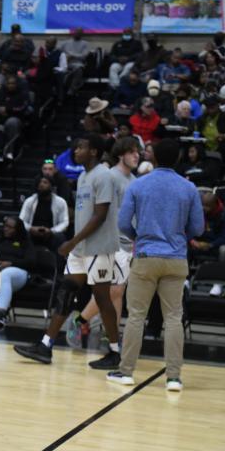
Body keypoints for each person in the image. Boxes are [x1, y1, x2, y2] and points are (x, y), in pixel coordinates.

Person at [14, 134, 123, 369]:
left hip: (99, 247)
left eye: (81, 147)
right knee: (65, 291)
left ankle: (115, 351)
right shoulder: (84, 176)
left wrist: (72, 241)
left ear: (94, 151)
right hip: (82, 247)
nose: (75, 151)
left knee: (103, 298)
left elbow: (101, 215)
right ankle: (46, 345)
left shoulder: (103, 175)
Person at [107, 138, 204, 391]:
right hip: (176, 258)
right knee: (174, 317)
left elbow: (123, 223)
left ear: (155, 158)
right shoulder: (189, 188)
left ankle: (126, 371)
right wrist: (180, 236)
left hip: (147, 256)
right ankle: (173, 377)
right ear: (178, 159)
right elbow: (198, 228)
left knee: (136, 316)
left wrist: (140, 237)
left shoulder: (139, 185)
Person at [66, 138, 140, 350]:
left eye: (138, 152)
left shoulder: (134, 180)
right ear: (120, 154)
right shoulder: (109, 176)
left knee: (117, 293)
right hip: (110, 241)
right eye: (132, 152)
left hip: (128, 243)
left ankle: (109, 338)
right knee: (113, 291)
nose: (137, 156)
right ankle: (80, 322)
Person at [0, 216, 37, 328]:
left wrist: (11, 263)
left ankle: (1, 313)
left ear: (17, 229)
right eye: (5, 226)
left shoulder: (25, 242)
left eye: (10, 227)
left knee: (6, 273)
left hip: (19, 273)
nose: (6, 229)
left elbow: (31, 262)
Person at [20, 174, 69, 249]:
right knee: (23, 233)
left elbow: (65, 223)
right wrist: (31, 228)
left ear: (52, 187)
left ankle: (58, 260)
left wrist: (51, 231)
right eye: (40, 182)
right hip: (32, 232)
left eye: (45, 182)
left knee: (60, 237)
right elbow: (21, 220)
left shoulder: (60, 202)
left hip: (51, 233)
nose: (41, 185)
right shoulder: (30, 201)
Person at [189, 191, 225, 264]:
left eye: (207, 205)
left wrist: (210, 245)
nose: (203, 208)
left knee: (224, 249)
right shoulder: (197, 211)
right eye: (202, 205)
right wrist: (192, 241)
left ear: (215, 205)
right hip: (197, 243)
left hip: (215, 244)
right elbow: (188, 229)